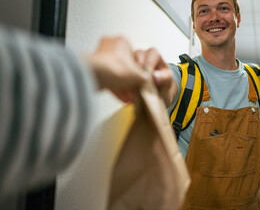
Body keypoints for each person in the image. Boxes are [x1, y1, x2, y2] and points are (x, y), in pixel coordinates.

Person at [138, 0, 260, 209]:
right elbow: (157, 88)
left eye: (223, 8)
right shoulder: (183, 77)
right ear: (194, 24)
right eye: (204, 11)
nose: (214, 17)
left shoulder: (256, 78)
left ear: (238, 18)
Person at [0, 24, 171, 197]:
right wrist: (99, 66)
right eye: (200, 11)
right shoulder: (188, 71)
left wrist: (96, 67)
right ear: (192, 24)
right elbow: (172, 89)